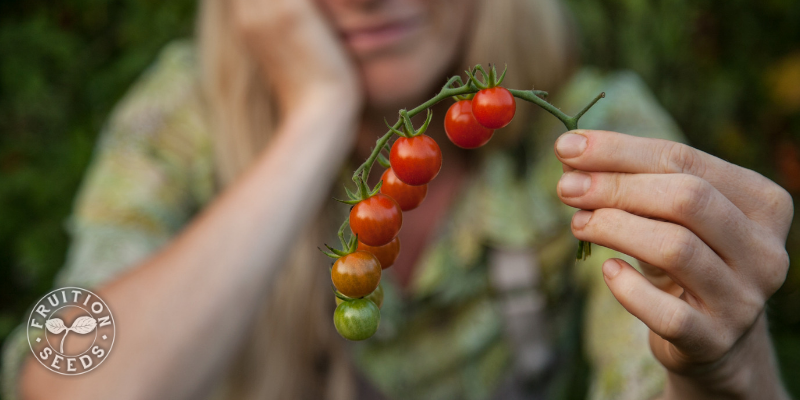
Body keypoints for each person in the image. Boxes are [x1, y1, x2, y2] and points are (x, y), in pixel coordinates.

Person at [3, 0, 793, 399]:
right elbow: (60, 374)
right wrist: (313, 117)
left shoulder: (599, 132)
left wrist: (729, 366)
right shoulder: (183, 119)